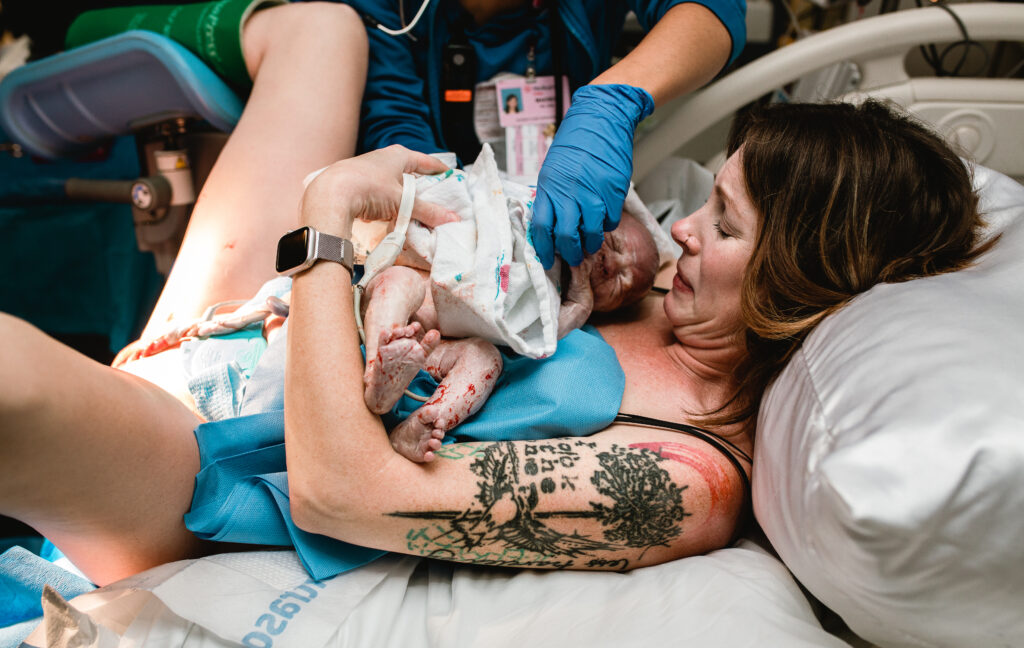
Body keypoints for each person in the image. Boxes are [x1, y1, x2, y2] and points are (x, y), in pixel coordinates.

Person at [0, 100, 992, 588]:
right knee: (319, 26)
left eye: (724, 226)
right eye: (707, 202)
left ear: (802, 281)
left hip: (209, 468)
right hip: (267, 347)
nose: (687, 228)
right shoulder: (652, 283)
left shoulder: (681, 480)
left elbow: (338, 490)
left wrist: (325, 231)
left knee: (15, 387)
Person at [337, 0, 747, 267]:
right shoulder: (385, 15)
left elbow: (715, 10)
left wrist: (614, 99)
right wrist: (458, 216)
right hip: (421, 217)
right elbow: (394, 121)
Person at [360, 204, 660, 461]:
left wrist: (579, 303)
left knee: (485, 359)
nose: (614, 265)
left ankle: (419, 425)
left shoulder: (564, 306)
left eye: (623, 282)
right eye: (617, 245)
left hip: (428, 347)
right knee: (399, 283)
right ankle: (378, 373)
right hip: (409, 286)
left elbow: (540, 339)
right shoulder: (539, 223)